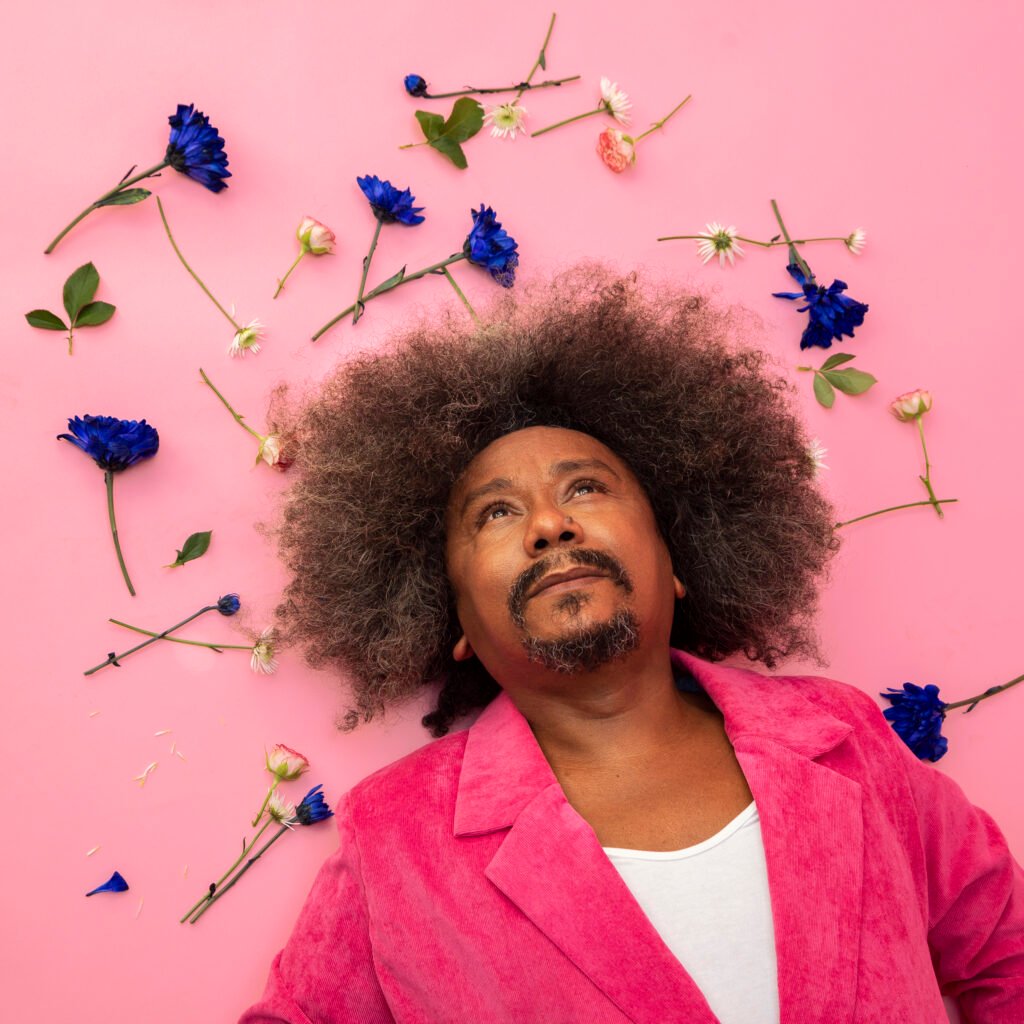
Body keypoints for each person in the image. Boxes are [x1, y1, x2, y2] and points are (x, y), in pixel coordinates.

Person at [240, 265, 1024, 1023]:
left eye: (585, 487)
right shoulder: (393, 838)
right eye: (496, 514)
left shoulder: (845, 736)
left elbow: (1009, 948)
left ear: (678, 561)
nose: (551, 524)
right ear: (455, 625)